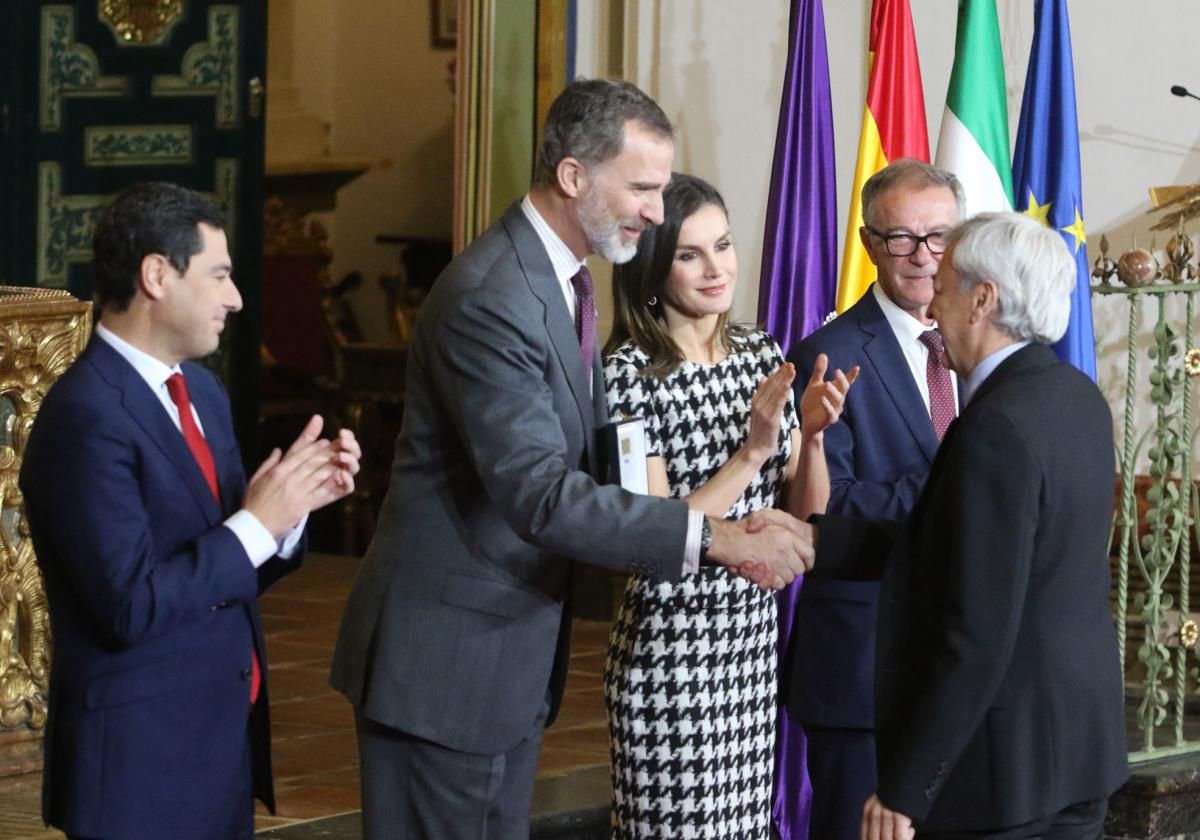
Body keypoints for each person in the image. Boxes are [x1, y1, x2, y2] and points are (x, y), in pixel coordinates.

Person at [328, 79, 813, 840]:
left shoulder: (562, 282)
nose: (656, 211)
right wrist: (719, 537)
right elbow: (541, 494)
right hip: (446, 669)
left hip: (501, 664)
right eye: (644, 188)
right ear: (574, 177)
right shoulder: (494, 296)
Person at [19, 181, 361, 840]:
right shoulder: (85, 416)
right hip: (138, 773)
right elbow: (130, 606)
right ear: (156, 275)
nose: (236, 298)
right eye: (220, 275)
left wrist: (287, 513)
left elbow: (228, 572)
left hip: (216, 749)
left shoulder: (201, 391)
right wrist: (255, 524)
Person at [805, 212, 1129, 839]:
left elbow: (976, 627)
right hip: (1076, 757)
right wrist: (822, 540)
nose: (931, 308)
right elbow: (975, 547)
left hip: (1003, 777)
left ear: (983, 300)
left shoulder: (995, 428)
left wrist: (905, 786)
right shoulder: (1076, 397)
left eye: (946, 286)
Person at [601, 173, 856, 837]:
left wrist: (817, 439)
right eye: (691, 255)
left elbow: (805, 514)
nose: (717, 269)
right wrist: (751, 452)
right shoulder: (627, 373)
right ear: (654, 270)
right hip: (669, 650)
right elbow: (648, 533)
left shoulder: (759, 353)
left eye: (723, 245)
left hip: (749, 645)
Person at [783, 159, 964, 839]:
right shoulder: (828, 354)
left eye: (939, 237)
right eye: (902, 239)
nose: (923, 257)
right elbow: (828, 514)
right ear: (868, 245)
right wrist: (961, 487)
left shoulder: (979, 345)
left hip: (957, 668)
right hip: (862, 670)